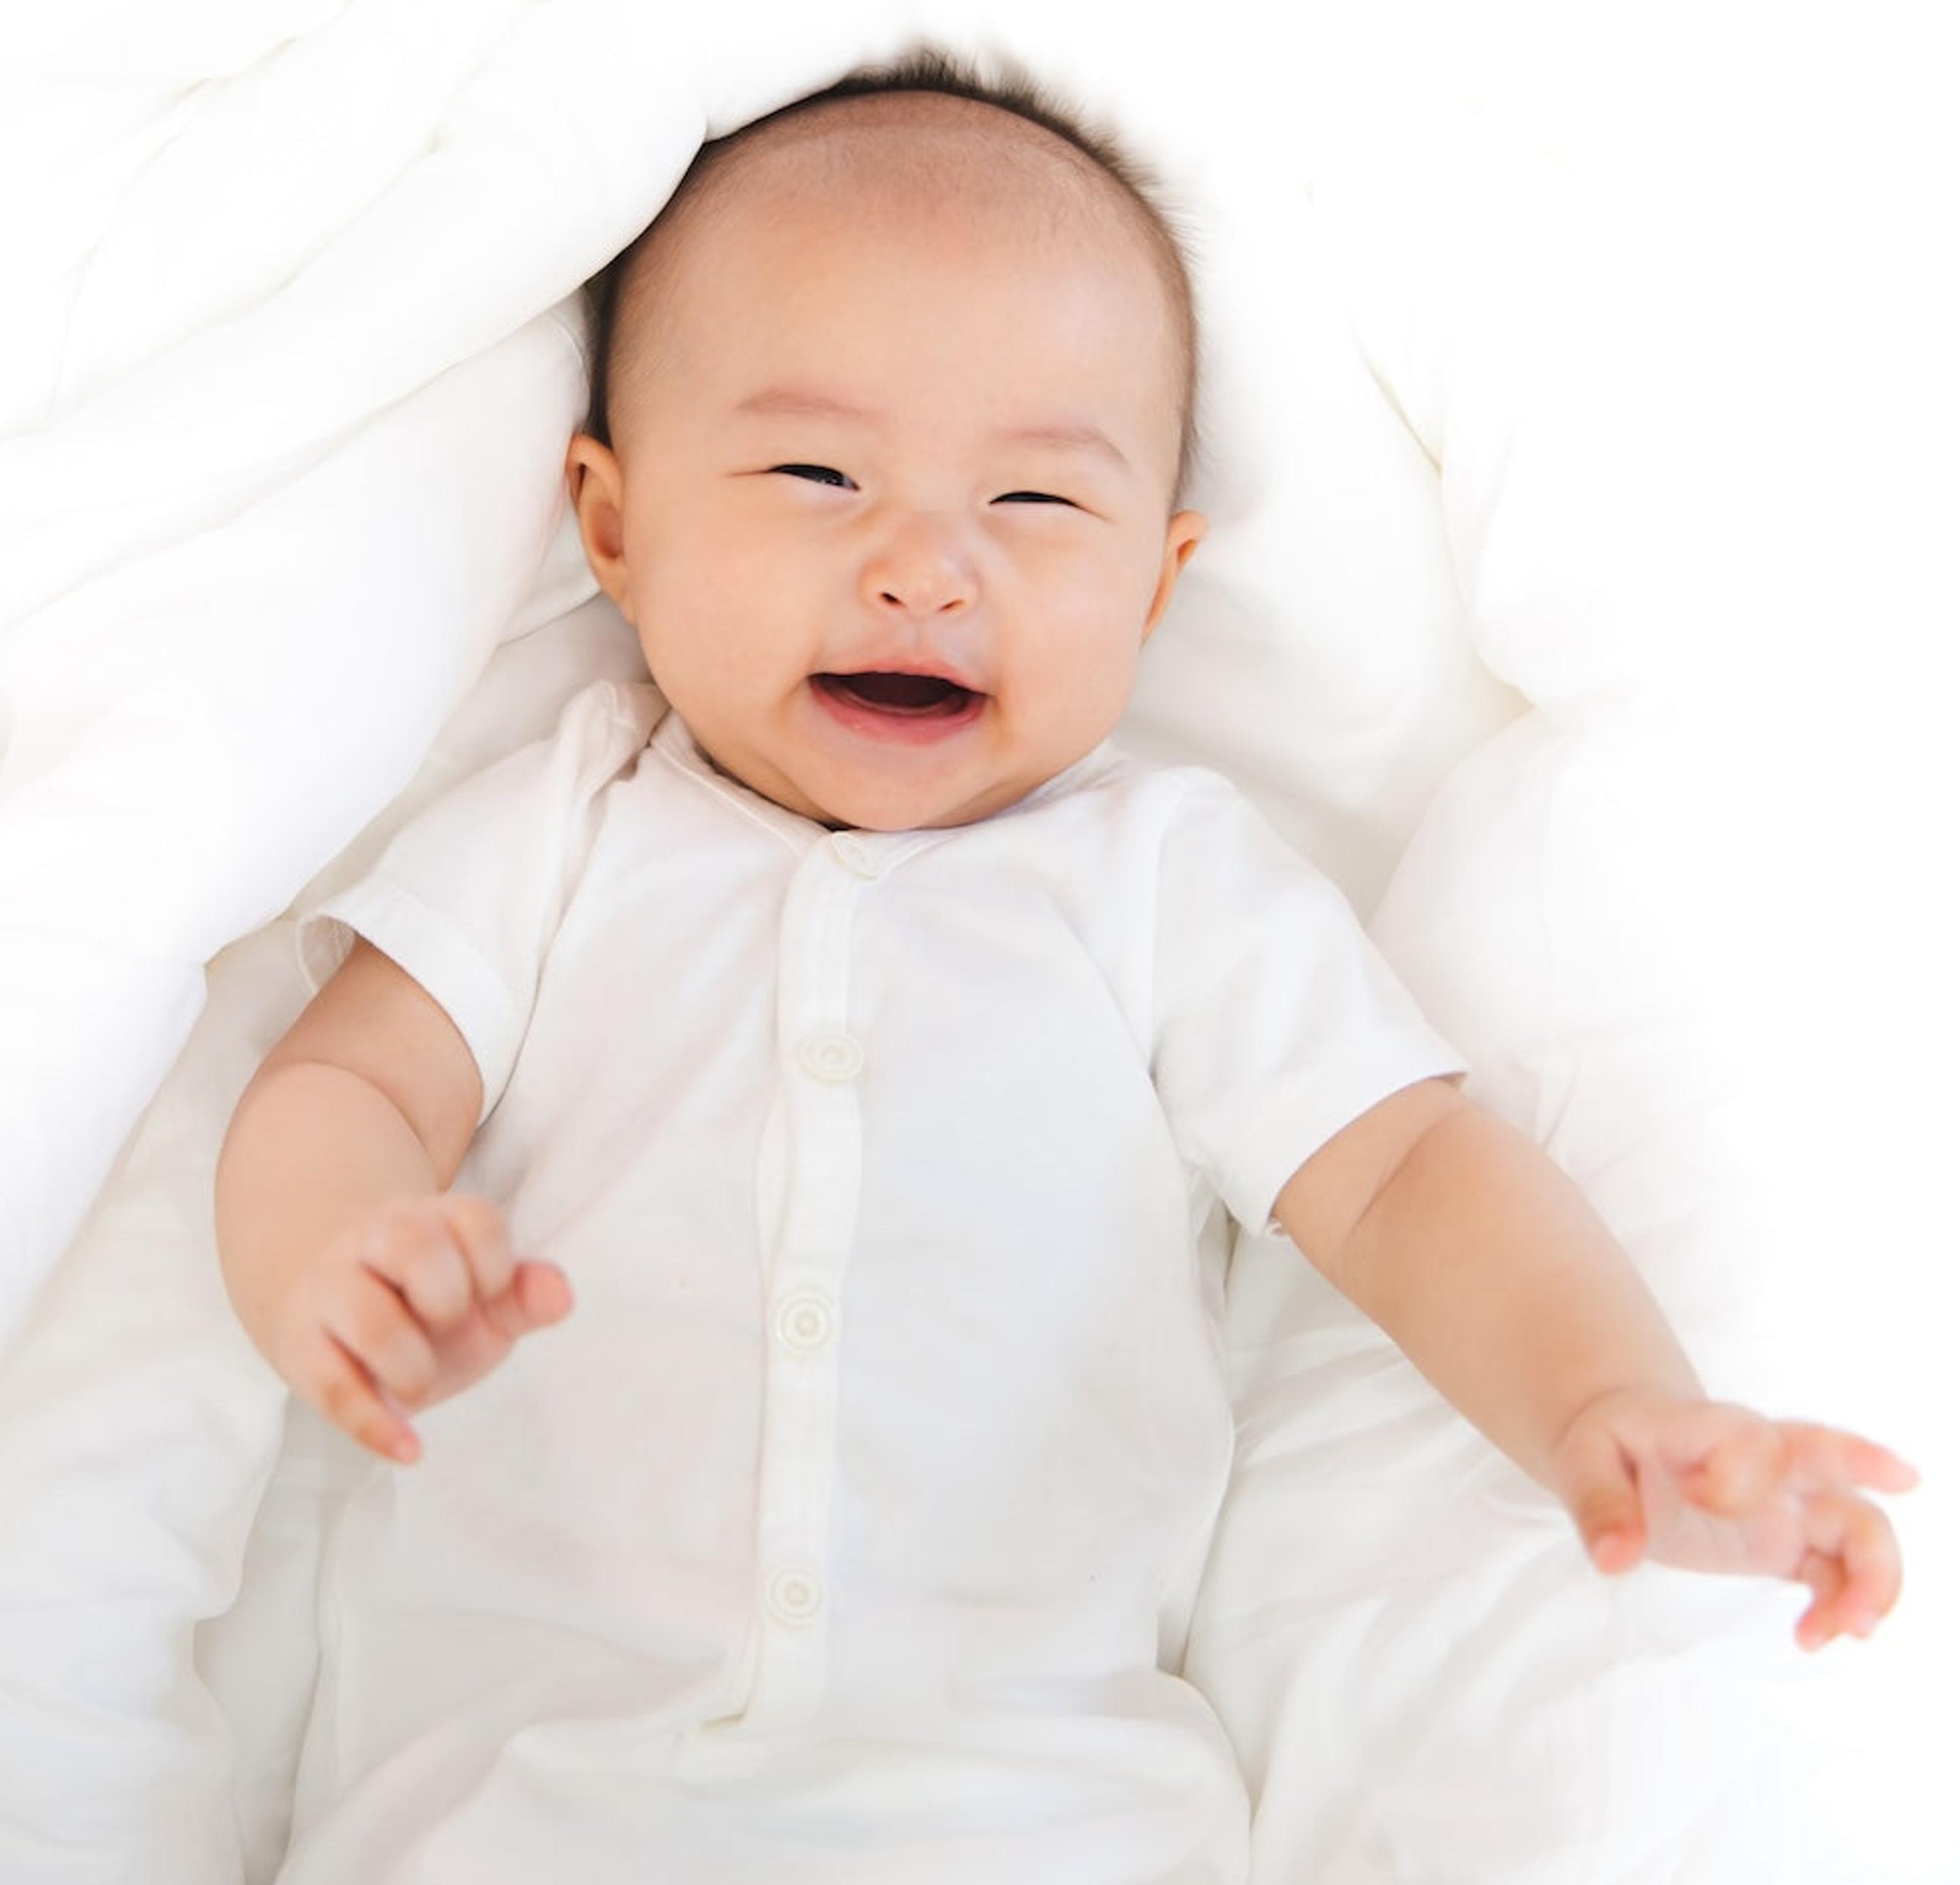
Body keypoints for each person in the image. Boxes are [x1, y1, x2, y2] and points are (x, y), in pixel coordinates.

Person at [211, 46, 1917, 1882]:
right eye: (815, 471)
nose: (925, 567)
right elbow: (347, 1080)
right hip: (515, 1802)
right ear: (615, 525)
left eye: (1034, 504)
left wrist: (1606, 1402)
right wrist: (335, 1248)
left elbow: (1411, 1176)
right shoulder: (567, 827)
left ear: (1160, 584)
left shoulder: (1165, 878)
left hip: (1039, 1803)